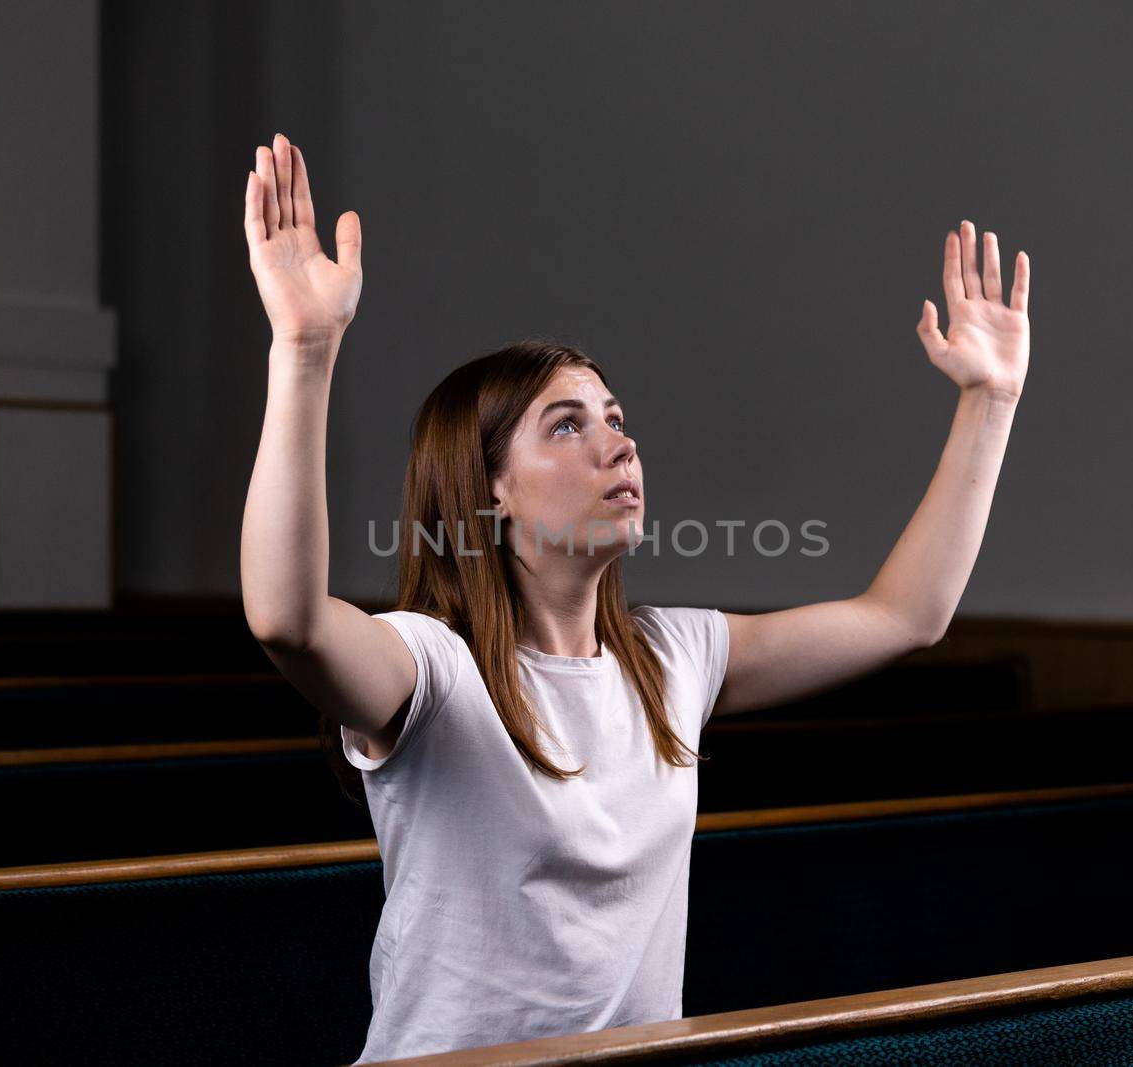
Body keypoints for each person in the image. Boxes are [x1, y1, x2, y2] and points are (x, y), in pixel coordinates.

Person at [238, 131, 1032, 1062]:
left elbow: (906, 616)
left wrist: (991, 400)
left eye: (616, 420)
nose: (619, 445)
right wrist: (303, 349)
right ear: (487, 488)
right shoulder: (435, 669)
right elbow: (286, 618)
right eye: (567, 425)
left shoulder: (672, 658)